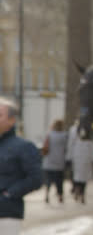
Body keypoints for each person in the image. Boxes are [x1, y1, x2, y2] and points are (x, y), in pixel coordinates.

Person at [0, 97, 42, 235]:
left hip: (7, 214)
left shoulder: (24, 147)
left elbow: (36, 178)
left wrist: (9, 194)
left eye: (0, 115)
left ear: (12, 120)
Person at [42, 119, 68, 203]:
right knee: (59, 180)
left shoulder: (49, 134)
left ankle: (47, 195)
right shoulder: (64, 135)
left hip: (48, 161)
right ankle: (60, 195)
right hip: (59, 162)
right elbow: (66, 148)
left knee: (48, 180)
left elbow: (45, 146)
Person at [69, 126, 93, 204]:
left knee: (78, 178)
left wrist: (70, 158)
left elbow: (71, 148)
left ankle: (78, 190)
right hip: (85, 161)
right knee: (83, 179)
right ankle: (82, 194)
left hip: (78, 160)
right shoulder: (89, 141)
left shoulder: (76, 141)